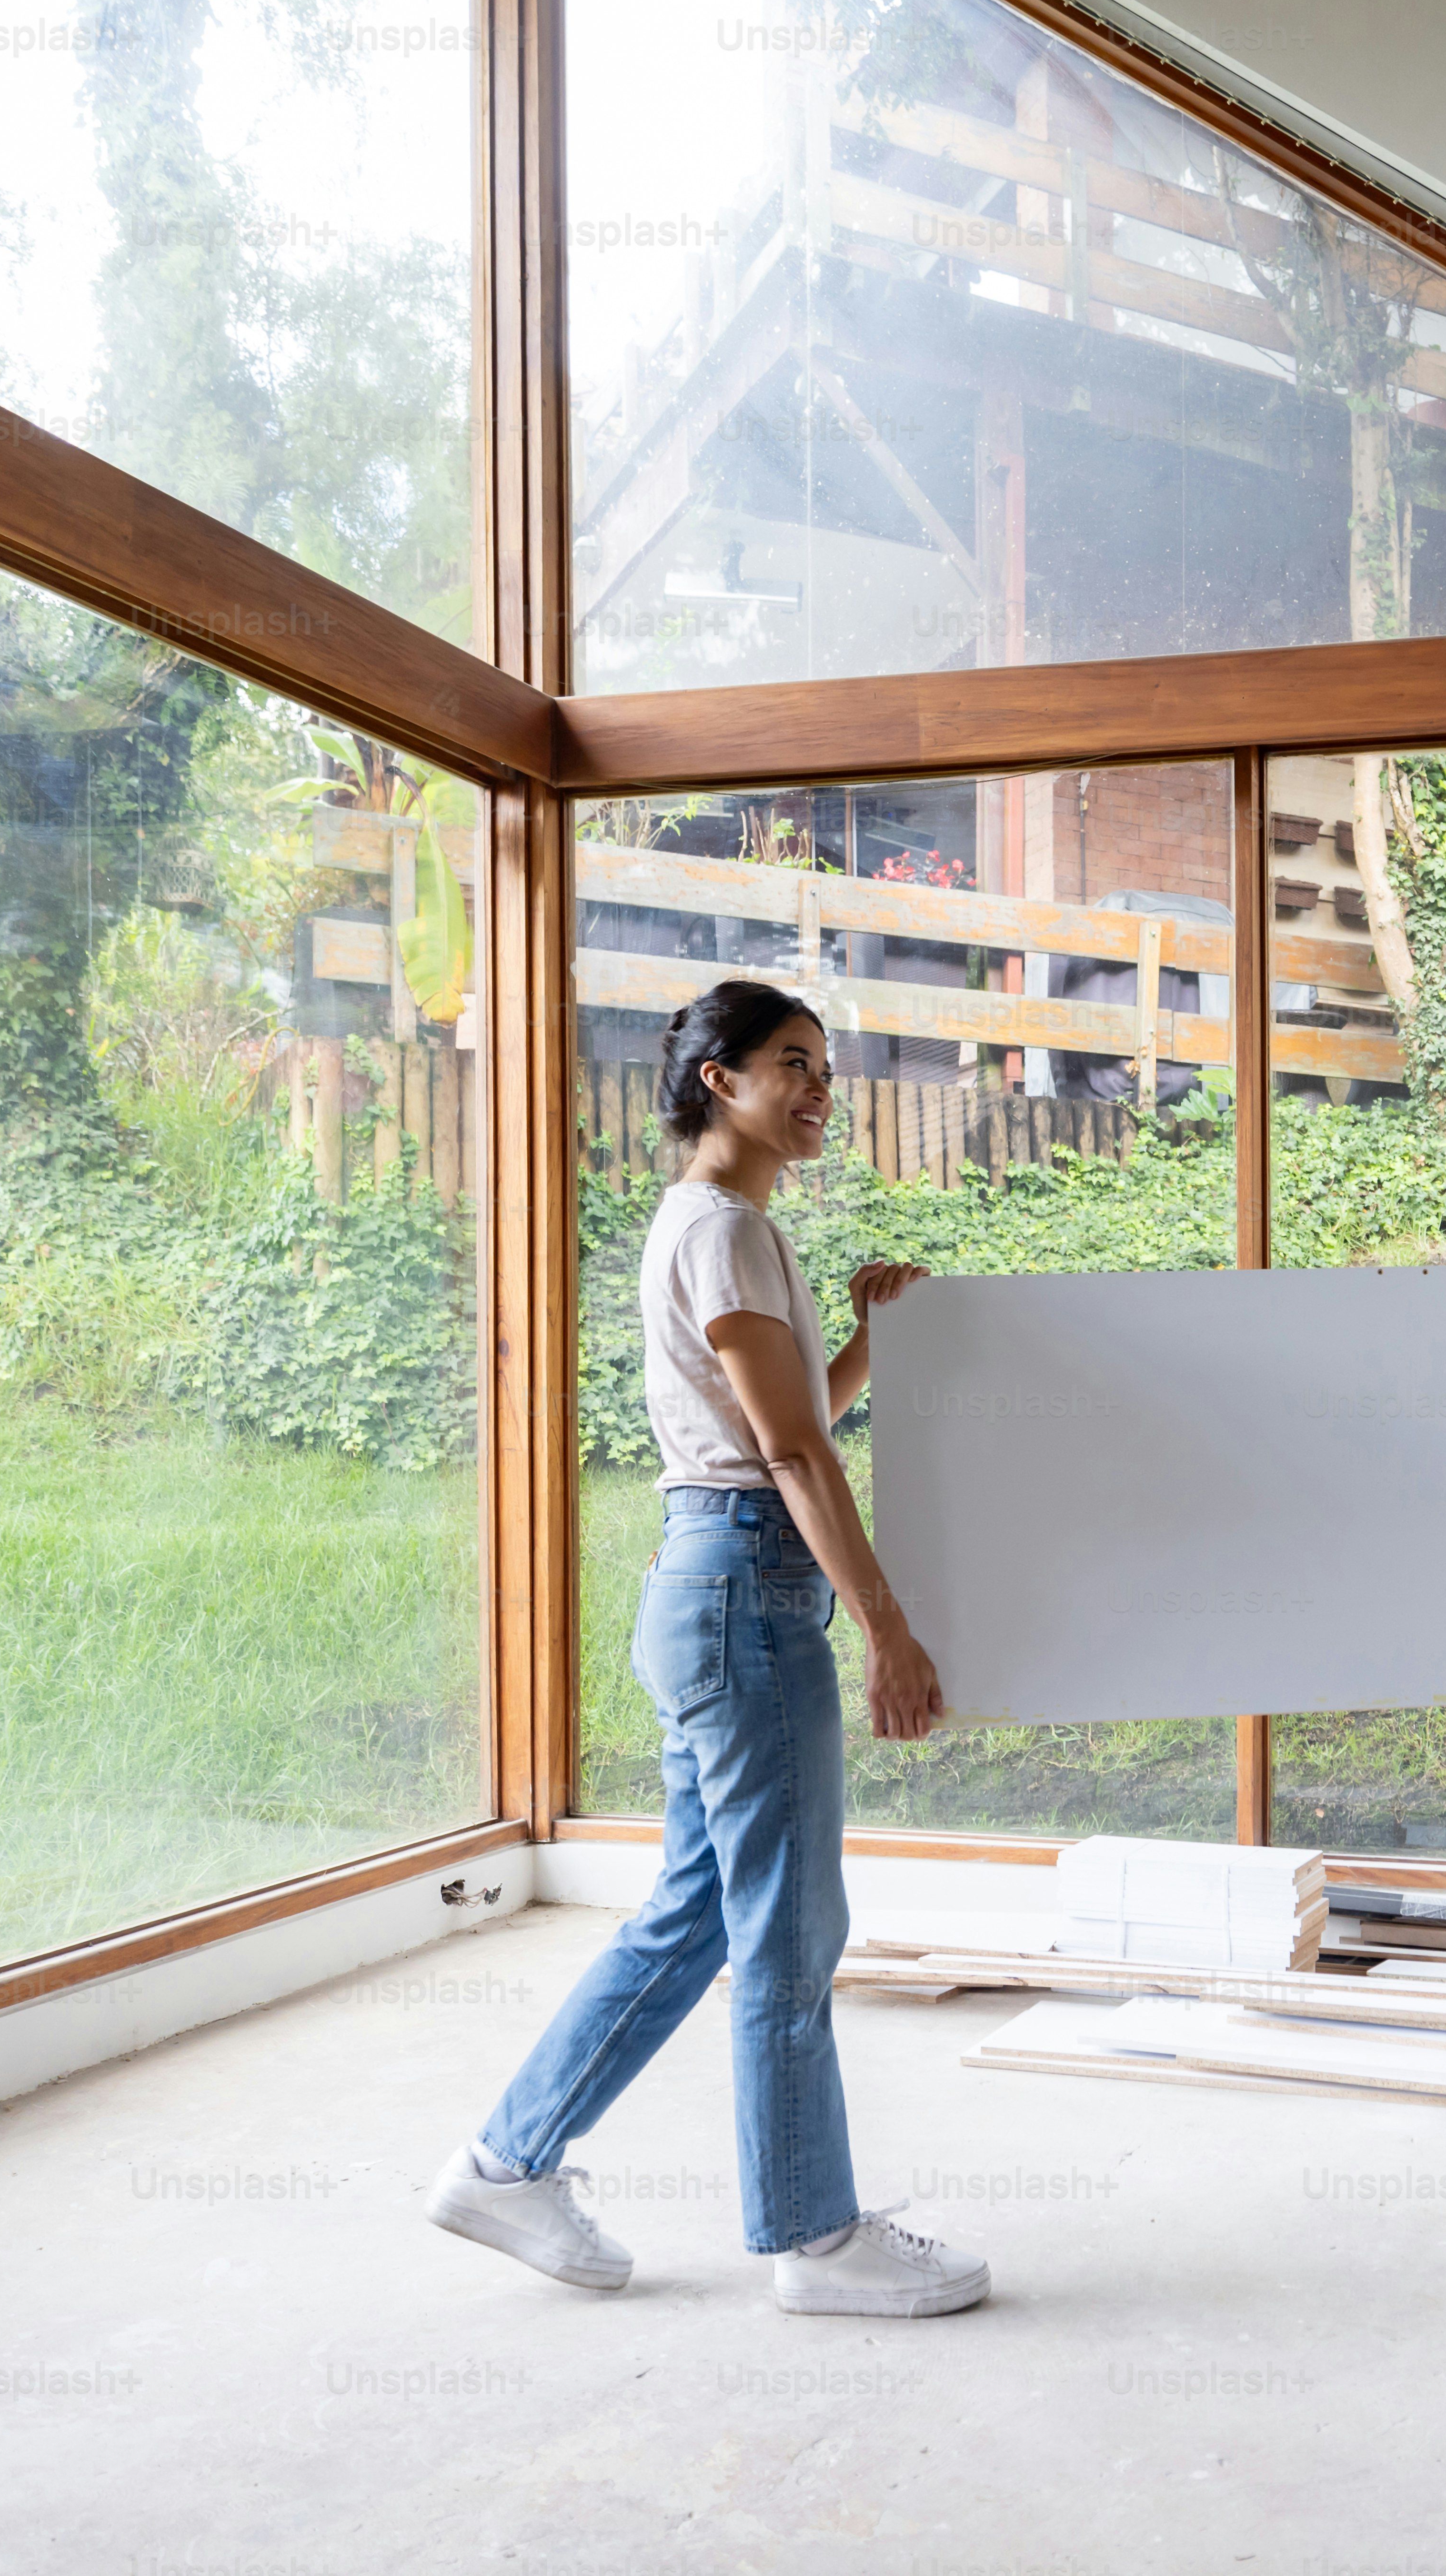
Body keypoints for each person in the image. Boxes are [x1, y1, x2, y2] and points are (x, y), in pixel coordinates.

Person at [424, 979, 991, 2319]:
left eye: (828, 1071)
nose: (819, 1093)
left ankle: (505, 2164)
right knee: (788, 1928)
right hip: (747, 1591)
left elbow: (782, 1421)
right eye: (791, 1064)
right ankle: (816, 2239)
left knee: (695, 1914)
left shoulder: (724, 1230)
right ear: (717, 1079)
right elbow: (789, 1454)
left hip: (715, 1581)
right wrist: (889, 1627)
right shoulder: (726, 1231)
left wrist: (866, 1342)